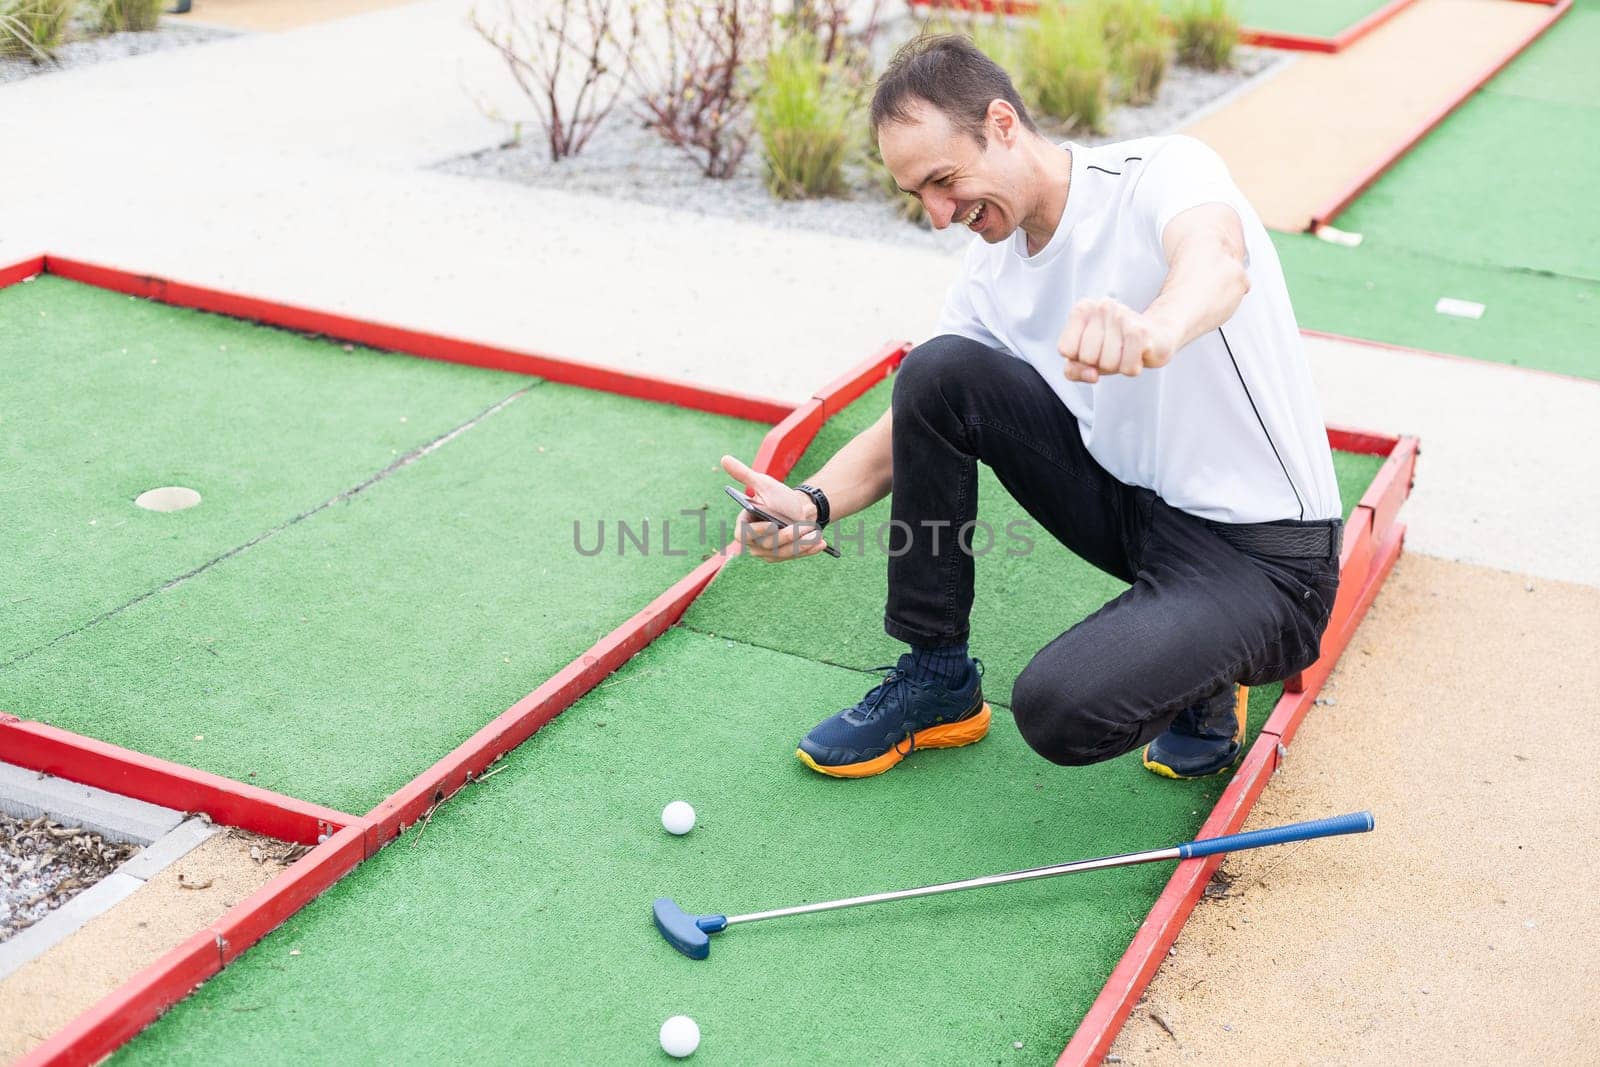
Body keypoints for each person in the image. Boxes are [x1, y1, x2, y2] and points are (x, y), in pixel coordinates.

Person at [721, 34, 1342, 782]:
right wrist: (813, 502)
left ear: (1004, 124)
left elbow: (1218, 262)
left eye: (945, 180)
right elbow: (914, 421)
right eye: (917, 195)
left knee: (1058, 709)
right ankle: (937, 677)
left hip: (1267, 557)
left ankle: (1207, 671)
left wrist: (1155, 329)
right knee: (937, 370)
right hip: (1142, 516)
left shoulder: (1159, 174)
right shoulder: (991, 269)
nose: (940, 215)